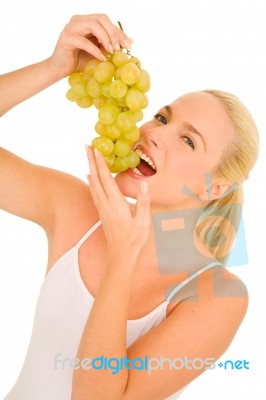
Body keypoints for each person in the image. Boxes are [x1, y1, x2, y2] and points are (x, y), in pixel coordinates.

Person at [0, 13, 259, 400]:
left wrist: (123, 254)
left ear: (214, 187)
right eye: (162, 117)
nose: (153, 133)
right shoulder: (75, 210)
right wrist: (54, 68)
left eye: (188, 141)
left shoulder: (217, 296)